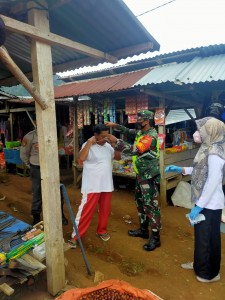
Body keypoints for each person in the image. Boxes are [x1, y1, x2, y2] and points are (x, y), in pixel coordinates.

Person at [165, 117, 225, 283]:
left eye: (202, 129)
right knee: (201, 236)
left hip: (211, 204)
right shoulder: (207, 148)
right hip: (205, 201)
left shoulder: (215, 154)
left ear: (211, 132)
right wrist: (181, 169)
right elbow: (200, 169)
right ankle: (199, 263)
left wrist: (198, 206)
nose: (198, 133)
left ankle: (209, 273)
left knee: (208, 238)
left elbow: (212, 182)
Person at [106, 110, 161, 251]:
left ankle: (156, 237)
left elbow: (135, 150)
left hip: (148, 177)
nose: (137, 120)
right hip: (141, 175)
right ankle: (143, 230)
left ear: (147, 121)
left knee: (151, 206)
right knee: (140, 202)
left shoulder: (150, 136)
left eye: (140, 119)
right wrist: (116, 125)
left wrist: (116, 141)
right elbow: (129, 131)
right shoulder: (142, 133)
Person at [69, 124, 118, 247]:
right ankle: (75, 237)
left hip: (106, 184)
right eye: (102, 136)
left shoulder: (108, 146)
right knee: (85, 211)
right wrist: (90, 143)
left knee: (105, 210)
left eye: (107, 135)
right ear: (95, 135)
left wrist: (114, 143)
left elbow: (117, 157)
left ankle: (101, 231)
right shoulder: (88, 145)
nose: (105, 138)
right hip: (92, 185)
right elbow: (81, 158)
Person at [20, 113, 68, 226]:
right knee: (37, 193)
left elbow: (60, 150)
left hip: (53, 169)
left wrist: (62, 150)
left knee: (58, 192)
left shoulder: (55, 134)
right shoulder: (30, 136)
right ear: (36, 121)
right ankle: (36, 218)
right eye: (40, 120)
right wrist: (31, 166)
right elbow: (24, 155)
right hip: (37, 169)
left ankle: (60, 215)